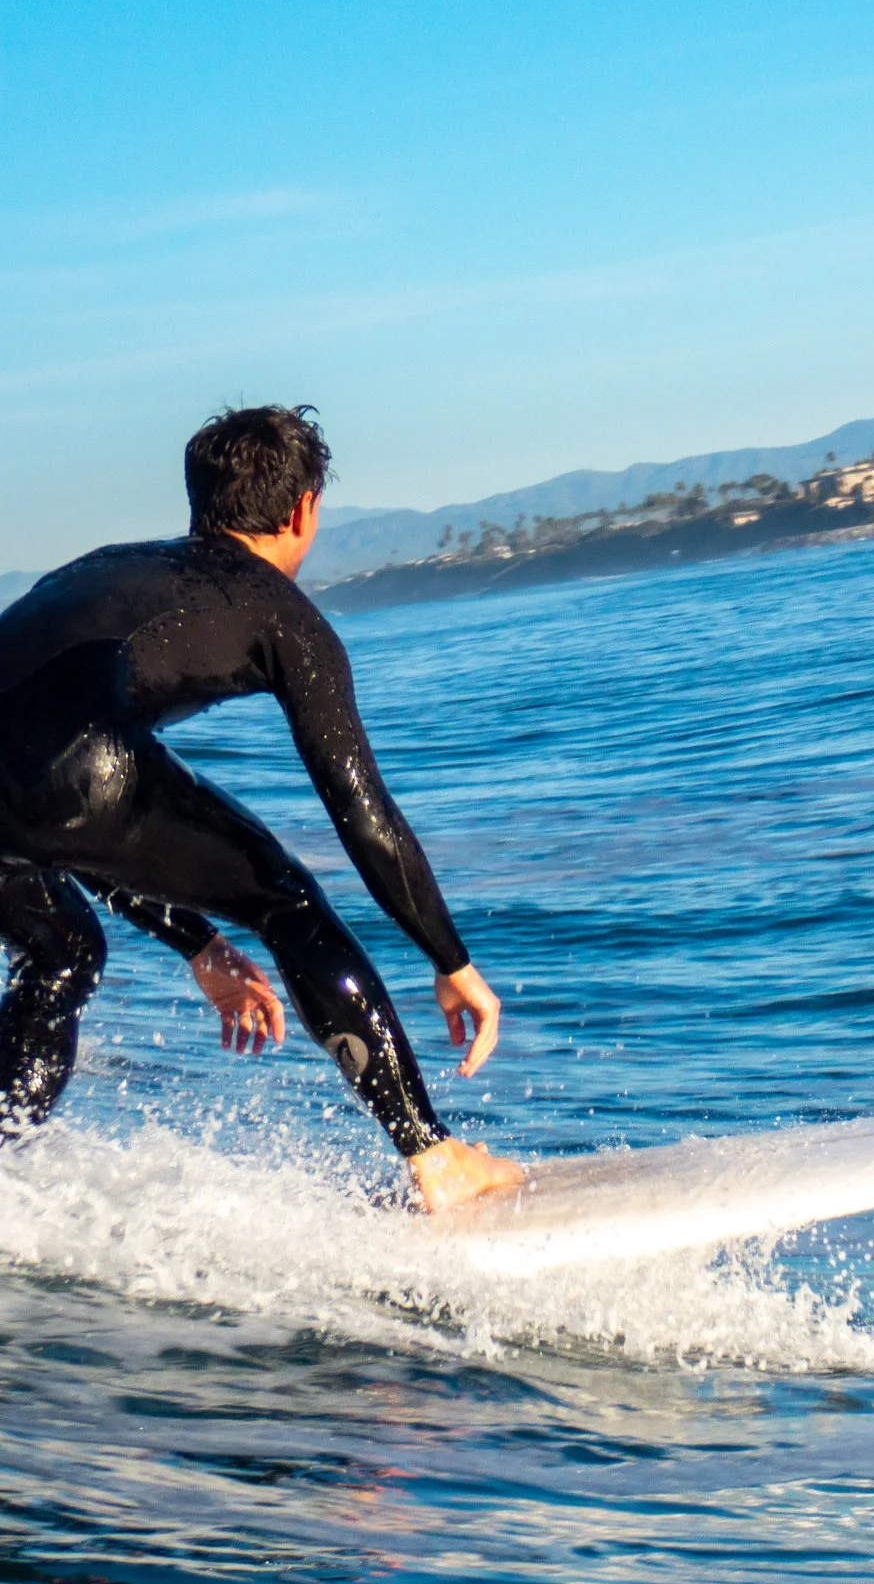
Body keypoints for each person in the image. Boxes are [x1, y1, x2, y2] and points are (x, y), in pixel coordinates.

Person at [0, 405, 524, 1211]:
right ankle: (436, 1156)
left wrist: (201, 944)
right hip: (71, 769)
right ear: (304, 509)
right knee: (287, 902)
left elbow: (51, 800)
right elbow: (361, 810)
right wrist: (450, 961)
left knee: (63, 948)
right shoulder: (283, 616)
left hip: (34, 774)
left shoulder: (100, 568)